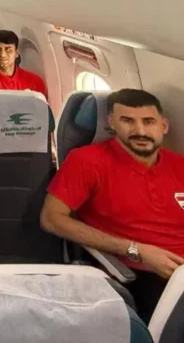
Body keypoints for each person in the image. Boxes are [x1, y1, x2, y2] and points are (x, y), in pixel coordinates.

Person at [40, 89, 184, 323]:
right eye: (127, 121)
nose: (140, 131)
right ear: (111, 123)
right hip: (141, 273)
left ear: (164, 125)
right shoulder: (87, 161)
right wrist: (136, 250)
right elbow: (52, 219)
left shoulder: (180, 165)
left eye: (148, 121)